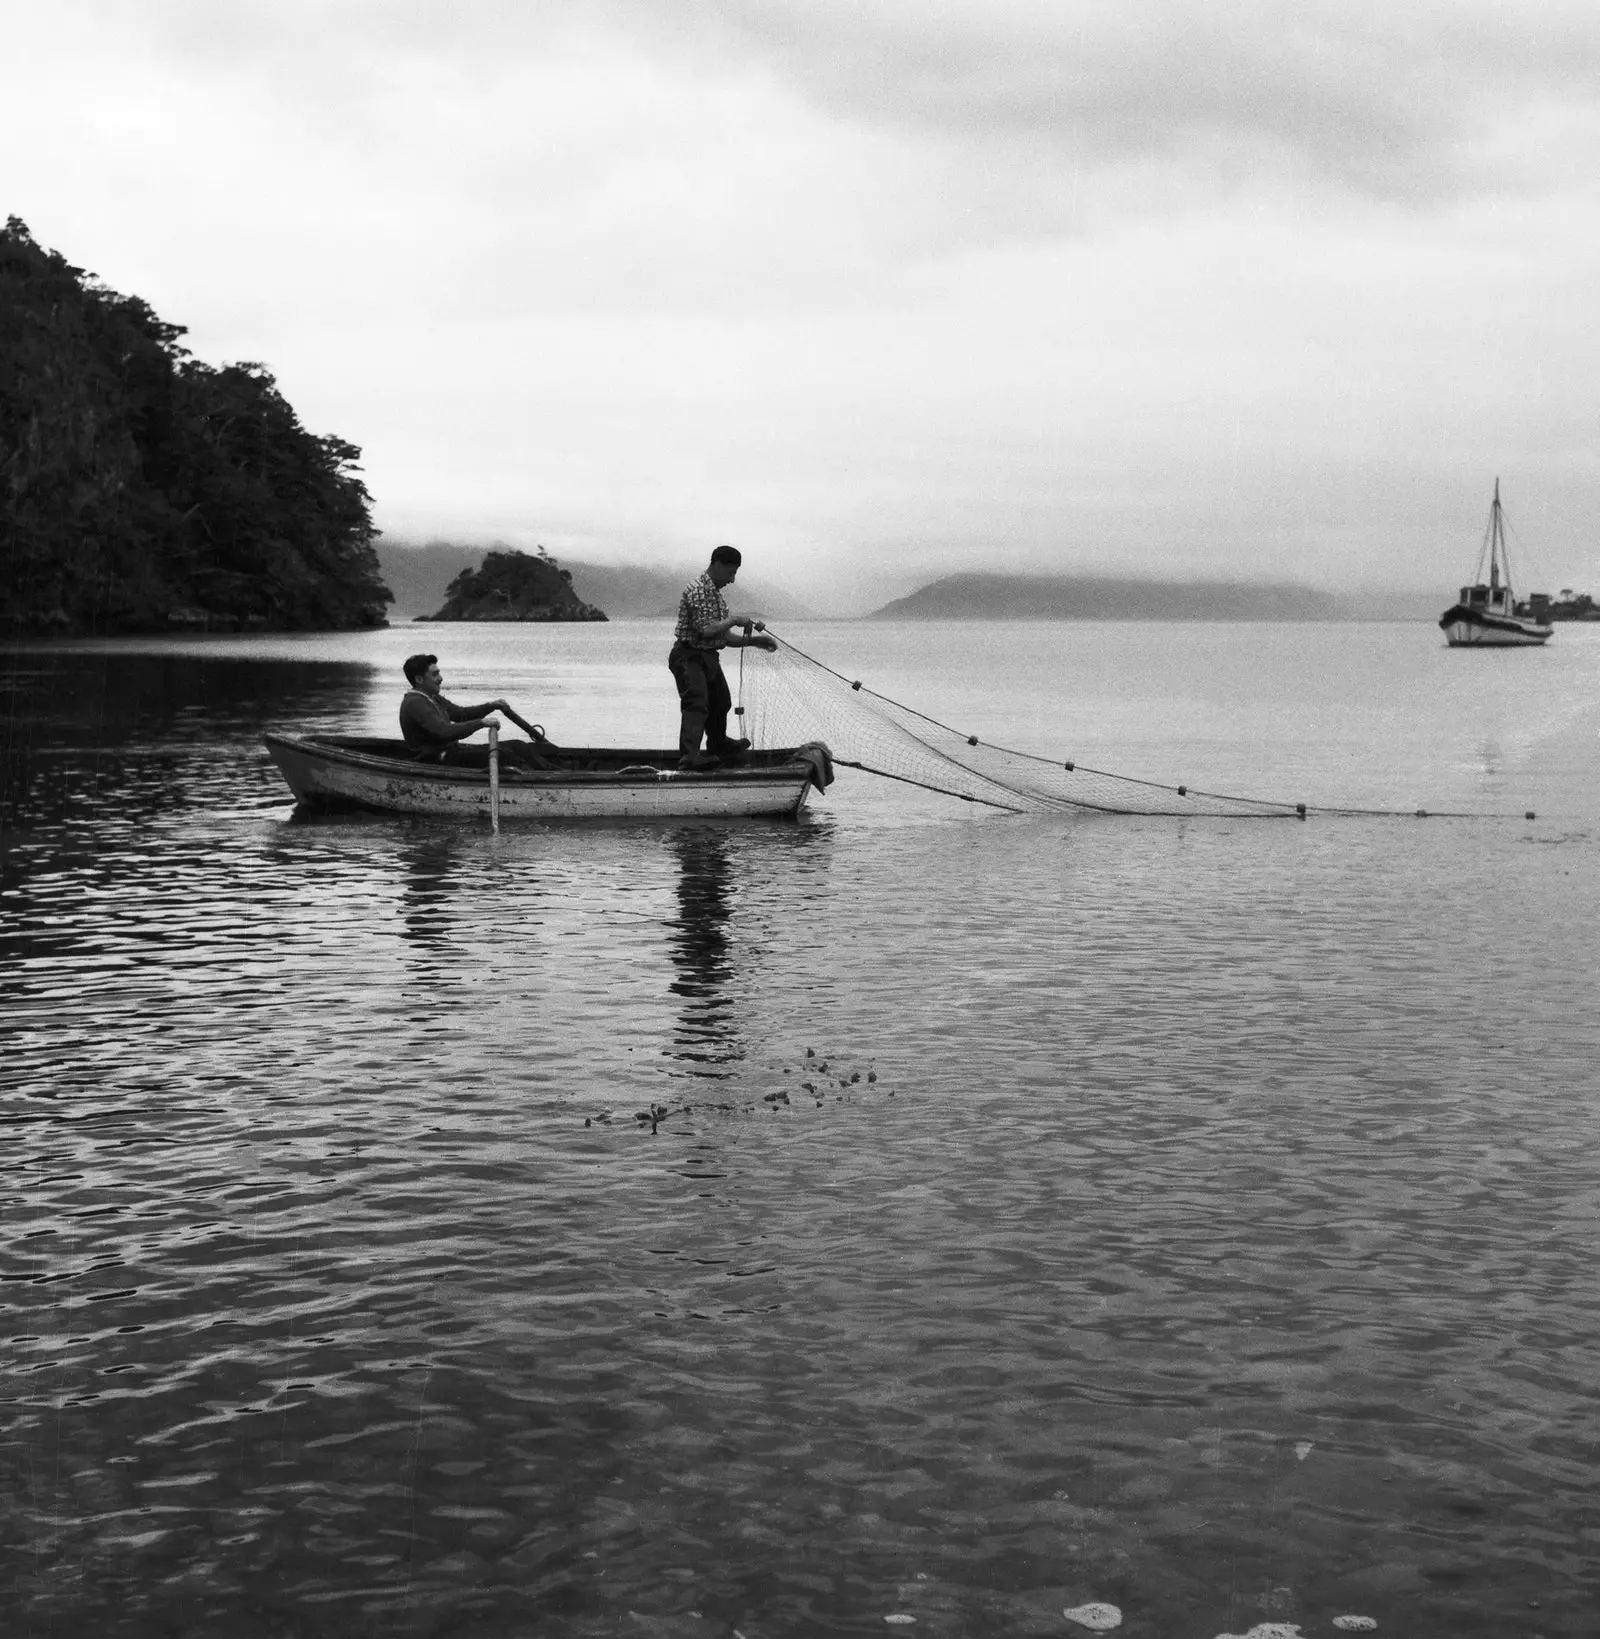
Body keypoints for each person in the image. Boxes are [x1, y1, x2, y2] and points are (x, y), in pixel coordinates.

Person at [669, 545, 778, 769]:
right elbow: (706, 630)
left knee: (721, 701)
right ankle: (689, 757)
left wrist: (756, 642)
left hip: (707, 656)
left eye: (735, 573)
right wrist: (735, 619)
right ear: (717, 565)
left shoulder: (717, 597)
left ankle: (717, 745)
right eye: (731, 572)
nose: (732, 579)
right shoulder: (697, 589)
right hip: (688, 655)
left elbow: (725, 637)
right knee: (697, 703)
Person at [399, 655, 553, 769]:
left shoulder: (434, 698)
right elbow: (444, 732)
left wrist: (491, 705)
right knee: (505, 754)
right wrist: (481, 723)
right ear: (419, 680)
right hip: (435, 760)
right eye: (434, 674)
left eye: (439, 673)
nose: (440, 678)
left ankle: (554, 772)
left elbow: (461, 714)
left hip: (452, 752)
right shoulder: (414, 703)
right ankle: (539, 782)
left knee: (519, 746)